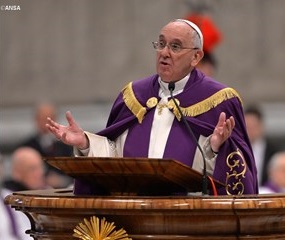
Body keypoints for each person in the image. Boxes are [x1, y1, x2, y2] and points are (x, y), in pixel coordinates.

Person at [46, 19, 257, 195]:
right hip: (135, 217)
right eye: (161, 44)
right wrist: (85, 143)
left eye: (175, 47)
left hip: (189, 221)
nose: (164, 52)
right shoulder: (134, 95)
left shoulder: (219, 100)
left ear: (196, 57)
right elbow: (115, 158)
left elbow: (233, 175)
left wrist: (216, 147)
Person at [1, 147, 47, 240]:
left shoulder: (49, 193)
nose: (39, 173)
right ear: (17, 172)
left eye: (41, 167)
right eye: (32, 168)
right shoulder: (11, 199)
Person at [19, 103, 73, 188]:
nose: (46, 123)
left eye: (50, 118)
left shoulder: (67, 145)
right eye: (43, 118)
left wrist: (61, 180)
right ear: (36, 119)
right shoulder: (27, 147)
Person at [244, 105, 280, 186]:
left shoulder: (274, 152)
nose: (251, 130)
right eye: (247, 127)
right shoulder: (235, 150)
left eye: (253, 126)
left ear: (261, 126)